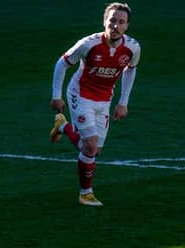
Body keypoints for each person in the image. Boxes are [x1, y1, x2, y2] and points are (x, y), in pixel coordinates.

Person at [49, 2, 140, 206]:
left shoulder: (133, 48)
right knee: (90, 146)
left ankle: (62, 126)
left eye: (121, 22)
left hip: (104, 99)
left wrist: (123, 102)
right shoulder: (88, 44)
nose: (116, 25)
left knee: (93, 150)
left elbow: (130, 69)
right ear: (104, 21)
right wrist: (57, 96)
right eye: (112, 20)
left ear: (127, 26)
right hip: (80, 94)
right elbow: (62, 63)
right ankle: (85, 193)